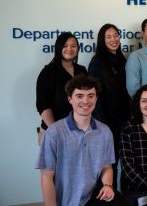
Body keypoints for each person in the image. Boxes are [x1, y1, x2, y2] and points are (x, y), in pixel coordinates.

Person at [36, 74, 125, 206]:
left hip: (91, 197)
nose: (86, 100)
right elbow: (46, 177)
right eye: (79, 96)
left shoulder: (105, 131)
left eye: (90, 95)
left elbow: (107, 167)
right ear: (70, 99)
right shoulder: (54, 132)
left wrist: (107, 185)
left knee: (118, 200)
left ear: (96, 98)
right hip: (65, 201)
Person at [88, 23, 131, 188]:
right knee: (108, 164)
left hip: (124, 121)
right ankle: (106, 199)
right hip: (106, 123)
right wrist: (102, 125)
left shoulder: (122, 59)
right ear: (102, 40)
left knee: (125, 163)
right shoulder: (97, 62)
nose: (113, 39)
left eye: (116, 35)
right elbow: (95, 97)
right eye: (109, 36)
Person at [36, 32, 87, 145]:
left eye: (73, 46)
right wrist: (57, 131)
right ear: (58, 48)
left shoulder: (82, 71)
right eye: (65, 46)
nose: (69, 49)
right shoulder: (48, 73)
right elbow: (43, 105)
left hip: (79, 130)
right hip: (54, 132)